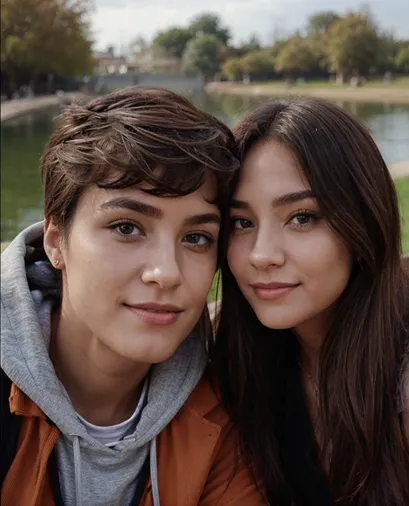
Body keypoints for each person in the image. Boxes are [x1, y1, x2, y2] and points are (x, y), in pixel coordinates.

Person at [1, 87, 265, 506]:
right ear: (56, 241)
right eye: (127, 227)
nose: (166, 273)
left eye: (196, 237)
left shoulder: (223, 413)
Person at [211, 98, 409, 506]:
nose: (261, 254)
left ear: (363, 221)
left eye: (302, 217)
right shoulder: (251, 356)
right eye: (242, 223)